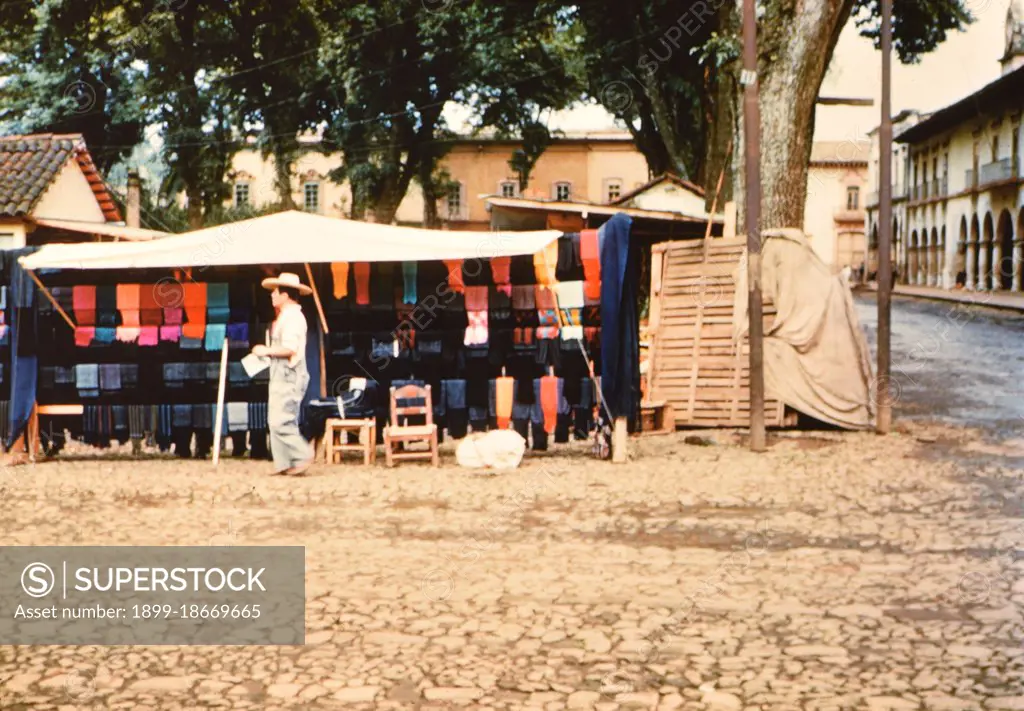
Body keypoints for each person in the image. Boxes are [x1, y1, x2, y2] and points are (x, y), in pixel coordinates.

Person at [251, 272, 313, 475]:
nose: (272, 296)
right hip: (281, 372)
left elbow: (290, 349)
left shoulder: (294, 318)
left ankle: (302, 454)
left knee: (281, 420)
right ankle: (284, 462)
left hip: (289, 373)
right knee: (276, 418)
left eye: (275, 292)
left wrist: (266, 350)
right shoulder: (286, 316)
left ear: (285, 295)